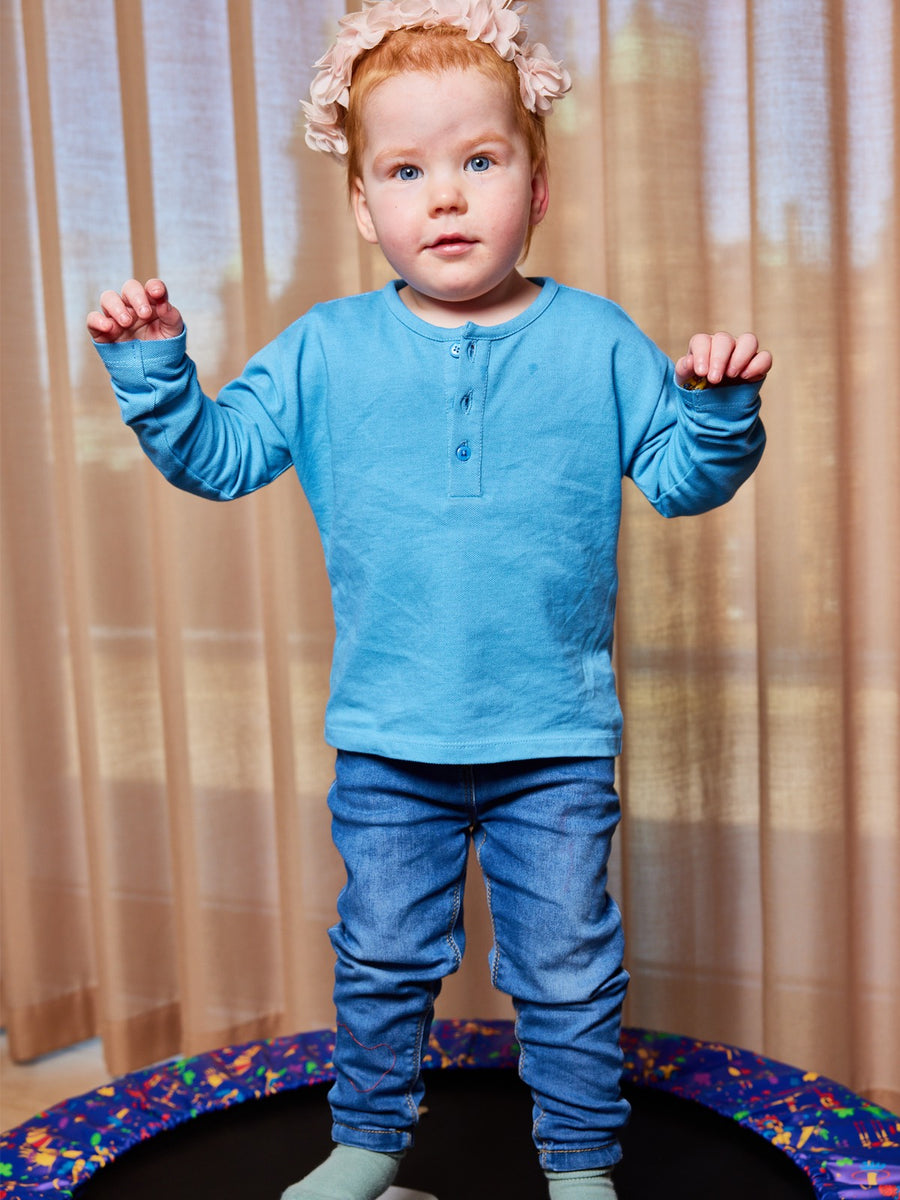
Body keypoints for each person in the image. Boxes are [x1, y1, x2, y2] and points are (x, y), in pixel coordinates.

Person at [87, 3, 771, 1197]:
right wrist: (156, 374)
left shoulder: (598, 342)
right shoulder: (323, 349)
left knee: (567, 969)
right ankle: (366, 1148)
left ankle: (580, 1168)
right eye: (406, 170)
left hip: (551, 740)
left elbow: (678, 480)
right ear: (364, 207)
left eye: (479, 161)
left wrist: (717, 414)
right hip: (390, 738)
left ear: (537, 186)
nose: (444, 198)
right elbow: (220, 456)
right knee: (382, 959)